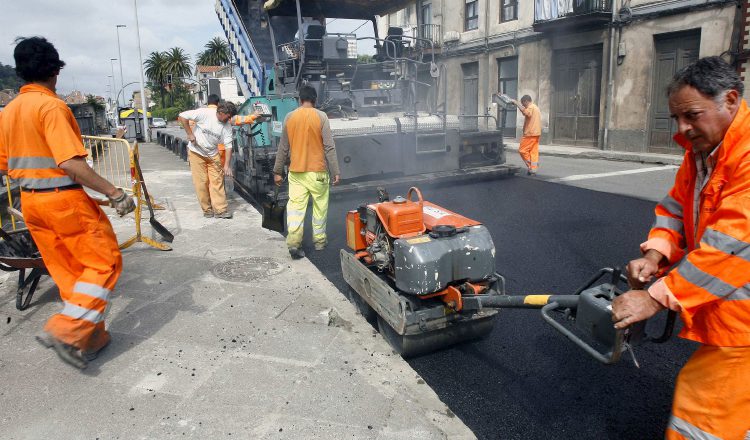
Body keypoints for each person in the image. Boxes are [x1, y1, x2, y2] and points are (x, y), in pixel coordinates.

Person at [612, 57, 750, 440]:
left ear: (731, 99)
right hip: (733, 315)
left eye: (691, 115)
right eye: (676, 118)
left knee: (702, 415)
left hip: (744, 329)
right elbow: (675, 208)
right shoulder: (703, 154)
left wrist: (655, 298)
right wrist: (655, 254)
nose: (683, 129)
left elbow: (733, 245)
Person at [0, 37, 135, 369]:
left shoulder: (10, 111)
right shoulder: (52, 107)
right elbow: (70, 164)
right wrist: (114, 193)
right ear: (54, 72)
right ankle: (67, 330)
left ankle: (89, 339)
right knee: (105, 263)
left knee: (71, 273)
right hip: (63, 203)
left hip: (32, 204)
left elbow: (5, 164)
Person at [273, 85, 340, 259]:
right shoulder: (321, 116)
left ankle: (294, 244)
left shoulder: (290, 117)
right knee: (319, 208)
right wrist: (335, 171)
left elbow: (283, 148)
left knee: (295, 209)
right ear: (315, 100)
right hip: (318, 173)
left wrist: (277, 171)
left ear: (299, 99)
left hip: (296, 173)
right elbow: (329, 147)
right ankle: (319, 242)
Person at [178, 100, 238, 218]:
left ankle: (221, 210)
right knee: (201, 182)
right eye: (228, 116)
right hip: (196, 152)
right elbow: (182, 116)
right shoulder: (205, 113)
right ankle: (207, 209)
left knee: (217, 181)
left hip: (212, 153)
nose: (229, 119)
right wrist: (190, 134)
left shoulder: (226, 126)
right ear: (221, 112)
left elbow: (228, 146)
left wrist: (226, 165)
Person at [511, 95, 542, 175]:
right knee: (533, 152)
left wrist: (517, 104)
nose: (523, 105)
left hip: (530, 134)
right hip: (536, 133)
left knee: (522, 150)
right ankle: (533, 170)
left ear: (526, 101)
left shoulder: (531, 107)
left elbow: (526, 113)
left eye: (523, 104)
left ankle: (531, 167)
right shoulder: (536, 107)